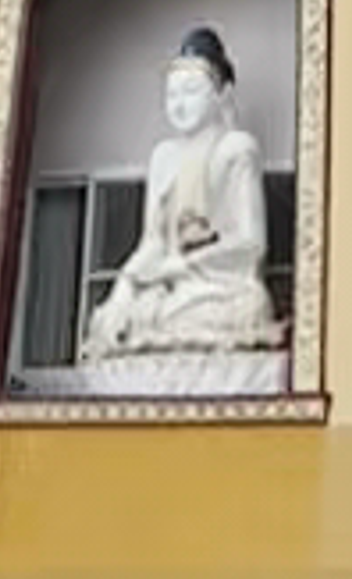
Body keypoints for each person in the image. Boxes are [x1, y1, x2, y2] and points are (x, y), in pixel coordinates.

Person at [81, 31, 283, 371]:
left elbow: (251, 243)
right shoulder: (163, 157)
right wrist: (124, 288)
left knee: (248, 308)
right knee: (112, 319)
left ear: (222, 94)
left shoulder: (236, 148)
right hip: (169, 285)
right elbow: (153, 242)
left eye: (191, 92)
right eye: (171, 94)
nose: (179, 103)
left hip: (220, 287)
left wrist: (186, 266)